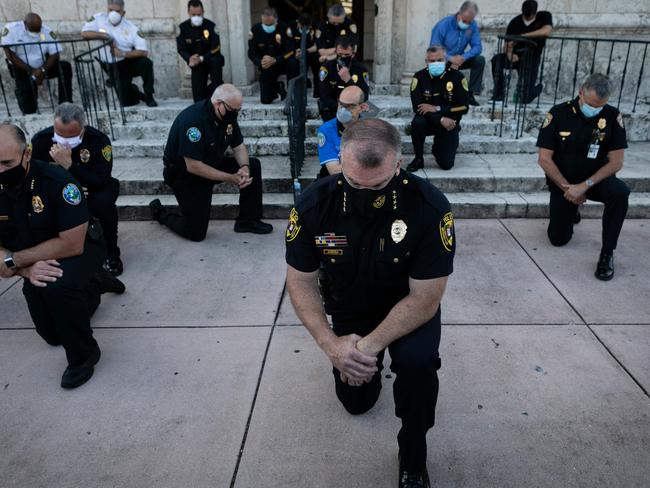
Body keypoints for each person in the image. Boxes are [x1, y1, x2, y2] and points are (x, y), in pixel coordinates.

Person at [285, 119, 455, 488]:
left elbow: (426, 297)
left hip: (408, 308)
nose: (363, 194)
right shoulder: (315, 204)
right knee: (356, 402)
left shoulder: (428, 207)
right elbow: (299, 281)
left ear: (399, 164)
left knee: (418, 366)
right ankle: (364, 377)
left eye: (376, 184)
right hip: (349, 306)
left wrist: (364, 349)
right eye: (353, 182)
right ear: (340, 161)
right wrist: (333, 347)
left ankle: (413, 455)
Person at [0, 124, 124, 389]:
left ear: (28, 153)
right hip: (32, 258)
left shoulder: (57, 181)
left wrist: (17, 260)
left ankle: (84, 355)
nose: (1, 171)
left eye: (6, 162)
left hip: (82, 245)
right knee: (53, 335)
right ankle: (94, 285)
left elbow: (72, 244)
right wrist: (24, 269)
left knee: (56, 286)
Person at [149, 84, 273, 241]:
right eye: (233, 110)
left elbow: (238, 146)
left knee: (253, 165)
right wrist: (231, 178)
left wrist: (244, 168)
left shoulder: (227, 115)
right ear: (218, 103)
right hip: (185, 175)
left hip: (211, 163)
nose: (235, 114)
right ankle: (160, 212)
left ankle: (247, 221)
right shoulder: (193, 121)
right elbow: (194, 166)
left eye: (238, 110)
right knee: (195, 233)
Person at [537, 73, 629, 281]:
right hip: (564, 183)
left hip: (596, 181)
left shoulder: (612, 117)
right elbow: (544, 159)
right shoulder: (558, 114)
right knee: (558, 239)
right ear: (580, 92)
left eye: (599, 106)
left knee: (620, 192)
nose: (594, 109)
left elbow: (616, 162)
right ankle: (572, 210)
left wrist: (585, 186)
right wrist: (569, 189)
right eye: (590, 104)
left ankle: (607, 253)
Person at [31, 103, 123, 276]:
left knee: (104, 202)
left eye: (71, 136)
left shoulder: (98, 140)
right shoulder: (40, 141)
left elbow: (101, 179)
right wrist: (69, 189)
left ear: (82, 128)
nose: (65, 142)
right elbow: (35, 178)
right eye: (59, 135)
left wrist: (69, 165)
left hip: (93, 189)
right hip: (58, 192)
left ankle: (112, 252)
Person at [81, 0, 158, 107]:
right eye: (111, 10)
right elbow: (84, 34)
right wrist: (106, 36)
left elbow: (143, 52)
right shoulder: (98, 19)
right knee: (126, 103)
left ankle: (149, 95)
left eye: (117, 11)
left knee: (146, 63)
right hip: (110, 65)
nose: (113, 13)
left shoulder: (131, 28)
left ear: (123, 13)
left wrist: (122, 53)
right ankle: (135, 91)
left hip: (126, 62)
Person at [407, 45, 469, 172]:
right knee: (417, 123)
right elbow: (418, 107)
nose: (436, 63)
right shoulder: (419, 77)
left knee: (446, 164)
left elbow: (464, 107)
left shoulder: (457, 77)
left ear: (445, 60)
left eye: (440, 60)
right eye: (432, 61)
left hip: (450, 124)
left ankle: (438, 147)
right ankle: (418, 159)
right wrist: (440, 119)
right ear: (426, 62)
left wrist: (437, 108)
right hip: (429, 121)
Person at [1, 13, 72, 115]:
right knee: (29, 107)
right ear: (25, 23)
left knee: (65, 67)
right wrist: (32, 71)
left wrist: (42, 70)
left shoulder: (46, 31)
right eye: (33, 30)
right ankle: (26, 103)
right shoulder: (12, 30)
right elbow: (10, 55)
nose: (37, 32)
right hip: (21, 67)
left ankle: (65, 106)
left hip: (42, 66)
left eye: (38, 29)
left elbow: (55, 53)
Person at [491, 0, 552, 104]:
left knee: (525, 99)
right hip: (516, 57)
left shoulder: (544, 16)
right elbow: (507, 43)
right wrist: (510, 54)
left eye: (530, 16)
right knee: (497, 60)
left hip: (532, 58)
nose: (527, 18)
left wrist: (522, 36)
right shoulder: (515, 22)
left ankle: (537, 88)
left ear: (535, 13)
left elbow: (546, 31)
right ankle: (499, 94)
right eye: (525, 16)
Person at [429, 1, 483, 106]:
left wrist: (462, 57)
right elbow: (434, 49)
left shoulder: (472, 25)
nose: (467, 24)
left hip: (459, 59)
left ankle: (470, 95)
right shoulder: (443, 25)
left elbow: (478, 47)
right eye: (464, 21)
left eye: (469, 22)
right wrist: (450, 58)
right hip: (443, 59)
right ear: (459, 14)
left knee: (479, 60)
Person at [247, 7, 299, 104]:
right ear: (261, 19)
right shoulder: (255, 30)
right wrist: (260, 62)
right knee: (265, 100)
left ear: (276, 19)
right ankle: (278, 87)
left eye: (270, 23)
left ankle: (292, 93)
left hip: (282, 62)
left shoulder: (284, 28)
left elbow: (291, 50)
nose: (267, 25)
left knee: (293, 62)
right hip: (266, 65)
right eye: (265, 23)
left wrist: (275, 60)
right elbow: (252, 52)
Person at [176, 0, 224, 102]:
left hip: (210, 59)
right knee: (198, 99)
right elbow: (181, 48)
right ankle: (208, 94)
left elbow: (216, 48)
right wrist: (189, 58)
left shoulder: (211, 26)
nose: (196, 17)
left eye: (199, 14)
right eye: (193, 14)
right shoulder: (182, 28)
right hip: (196, 63)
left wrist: (202, 58)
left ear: (203, 12)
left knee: (216, 61)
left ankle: (218, 86)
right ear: (188, 13)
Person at [317, 85, 367, 177]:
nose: (343, 110)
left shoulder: (370, 129)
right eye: (341, 104)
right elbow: (334, 170)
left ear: (361, 107)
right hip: (336, 182)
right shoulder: (326, 130)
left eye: (349, 106)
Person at [318, 35, 369, 121]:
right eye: (340, 54)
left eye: (347, 55)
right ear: (335, 52)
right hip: (332, 110)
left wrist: (349, 81)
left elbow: (364, 96)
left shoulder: (361, 69)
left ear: (353, 54)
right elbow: (324, 96)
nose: (343, 57)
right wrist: (341, 108)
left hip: (353, 111)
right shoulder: (327, 68)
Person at [288, 12, 320, 97]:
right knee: (292, 63)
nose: (305, 28)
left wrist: (305, 51)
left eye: (308, 26)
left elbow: (318, 45)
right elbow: (288, 44)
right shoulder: (291, 27)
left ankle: (318, 92)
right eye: (302, 26)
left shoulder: (316, 27)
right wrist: (295, 52)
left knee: (318, 63)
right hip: (296, 53)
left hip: (311, 52)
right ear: (298, 23)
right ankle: (295, 91)